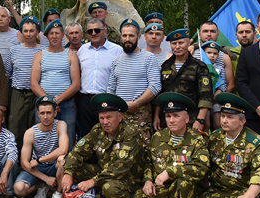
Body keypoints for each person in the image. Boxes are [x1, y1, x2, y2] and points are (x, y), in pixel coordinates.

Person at [128, 93, 209, 198]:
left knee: (184, 183)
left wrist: (171, 172)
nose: (171, 120)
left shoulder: (197, 140)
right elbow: (149, 162)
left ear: (186, 118)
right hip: (162, 188)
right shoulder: (158, 137)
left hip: (186, 190)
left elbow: (202, 168)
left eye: (176, 116)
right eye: (168, 116)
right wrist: (147, 180)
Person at [61, 93, 141, 198]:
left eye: (109, 117)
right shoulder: (98, 130)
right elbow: (77, 151)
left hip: (129, 178)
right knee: (73, 169)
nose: (105, 122)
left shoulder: (130, 133)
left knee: (109, 189)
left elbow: (121, 167)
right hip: (105, 172)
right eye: (102, 118)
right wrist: (68, 173)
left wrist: (92, 181)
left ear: (119, 117)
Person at [108, 19, 161, 151]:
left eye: (131, 36)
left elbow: (155, 86)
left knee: (142, 152)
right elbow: (110, 89)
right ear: (120, 36)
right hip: (120, 115)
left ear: (138, 37)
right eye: (125, 35)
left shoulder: (148, 58)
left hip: (141, 114)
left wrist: (136, 104)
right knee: (120, 152)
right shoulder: (116, 61)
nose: (127, 39)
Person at [155, 28, 213, 135]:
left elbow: (206, 96)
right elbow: (160, 94)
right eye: (174, 43)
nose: (177, 47)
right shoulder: (165, 66)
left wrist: (200, 120)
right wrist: (156, 116)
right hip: (168, 120)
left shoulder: (199, 66)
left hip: (191, 120)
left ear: (188, 43)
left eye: (181, 43)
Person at [31, 19, 80, 145]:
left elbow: (76, 84)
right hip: (44, 104)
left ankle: (66, 165)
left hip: (66, 105)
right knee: (43, 141)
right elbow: (33, 83)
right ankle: (43, 165)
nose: (54, 36)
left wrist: (57, 100)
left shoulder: (71, 55)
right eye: (51, 33)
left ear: (63, 35)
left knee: (67, 140)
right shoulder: (39, 55)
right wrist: (48, 100)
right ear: (46, 36)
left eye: (57, 33)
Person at [13, 96, 69, 198]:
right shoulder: (30, 132)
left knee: (62, 159)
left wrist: (40, 160)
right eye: (42, 113)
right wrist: (45, 178)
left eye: (49, 112)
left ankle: (58, 192)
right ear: (38, 114)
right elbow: (24, 163)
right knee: (18, 189)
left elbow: (63, 150)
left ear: (55, 113)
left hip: (53, 166)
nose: (46, 116)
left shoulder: (60, 125)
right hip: (37, 169)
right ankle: (41, 185)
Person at [76, 18, 123, 141]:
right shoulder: (82, 50)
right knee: (87, 137)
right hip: (85, 100)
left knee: (108, 136)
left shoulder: (117, 50)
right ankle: (89, 161)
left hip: (106, 99)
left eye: (97, 30)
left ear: (105, 31)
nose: (93, 33)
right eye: (90, 31)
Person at [7, 16, 45, 148]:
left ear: (37, 32)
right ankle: (15, 163)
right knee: (15, 127)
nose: (28, 34)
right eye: (26, 31)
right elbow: (8, 72)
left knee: (35, 128)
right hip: (18, 93)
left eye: (31, 31)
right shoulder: (14, 50)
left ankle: (32, 161)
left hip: (36, 94)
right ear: (21, 32)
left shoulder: (44, 51)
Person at [201, 40, 229, 130]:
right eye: (209, 53)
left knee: (218, 124)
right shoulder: (199, 67)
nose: (212, 55)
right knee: (206, 125)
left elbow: (224, 83)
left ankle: (218, 143)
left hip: (215, 100)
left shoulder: (220, 68)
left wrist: (219, 92)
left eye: (215, 53)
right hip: (203, 100)